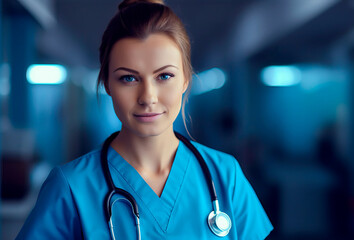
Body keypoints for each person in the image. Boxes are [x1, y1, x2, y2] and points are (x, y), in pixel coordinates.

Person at [16, 0, 273, 239]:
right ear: (107, 83)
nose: (148, 97)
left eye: (164, 76)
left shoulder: (226, 176)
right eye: (128, 78)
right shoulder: (71, 188)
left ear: (185, 79)